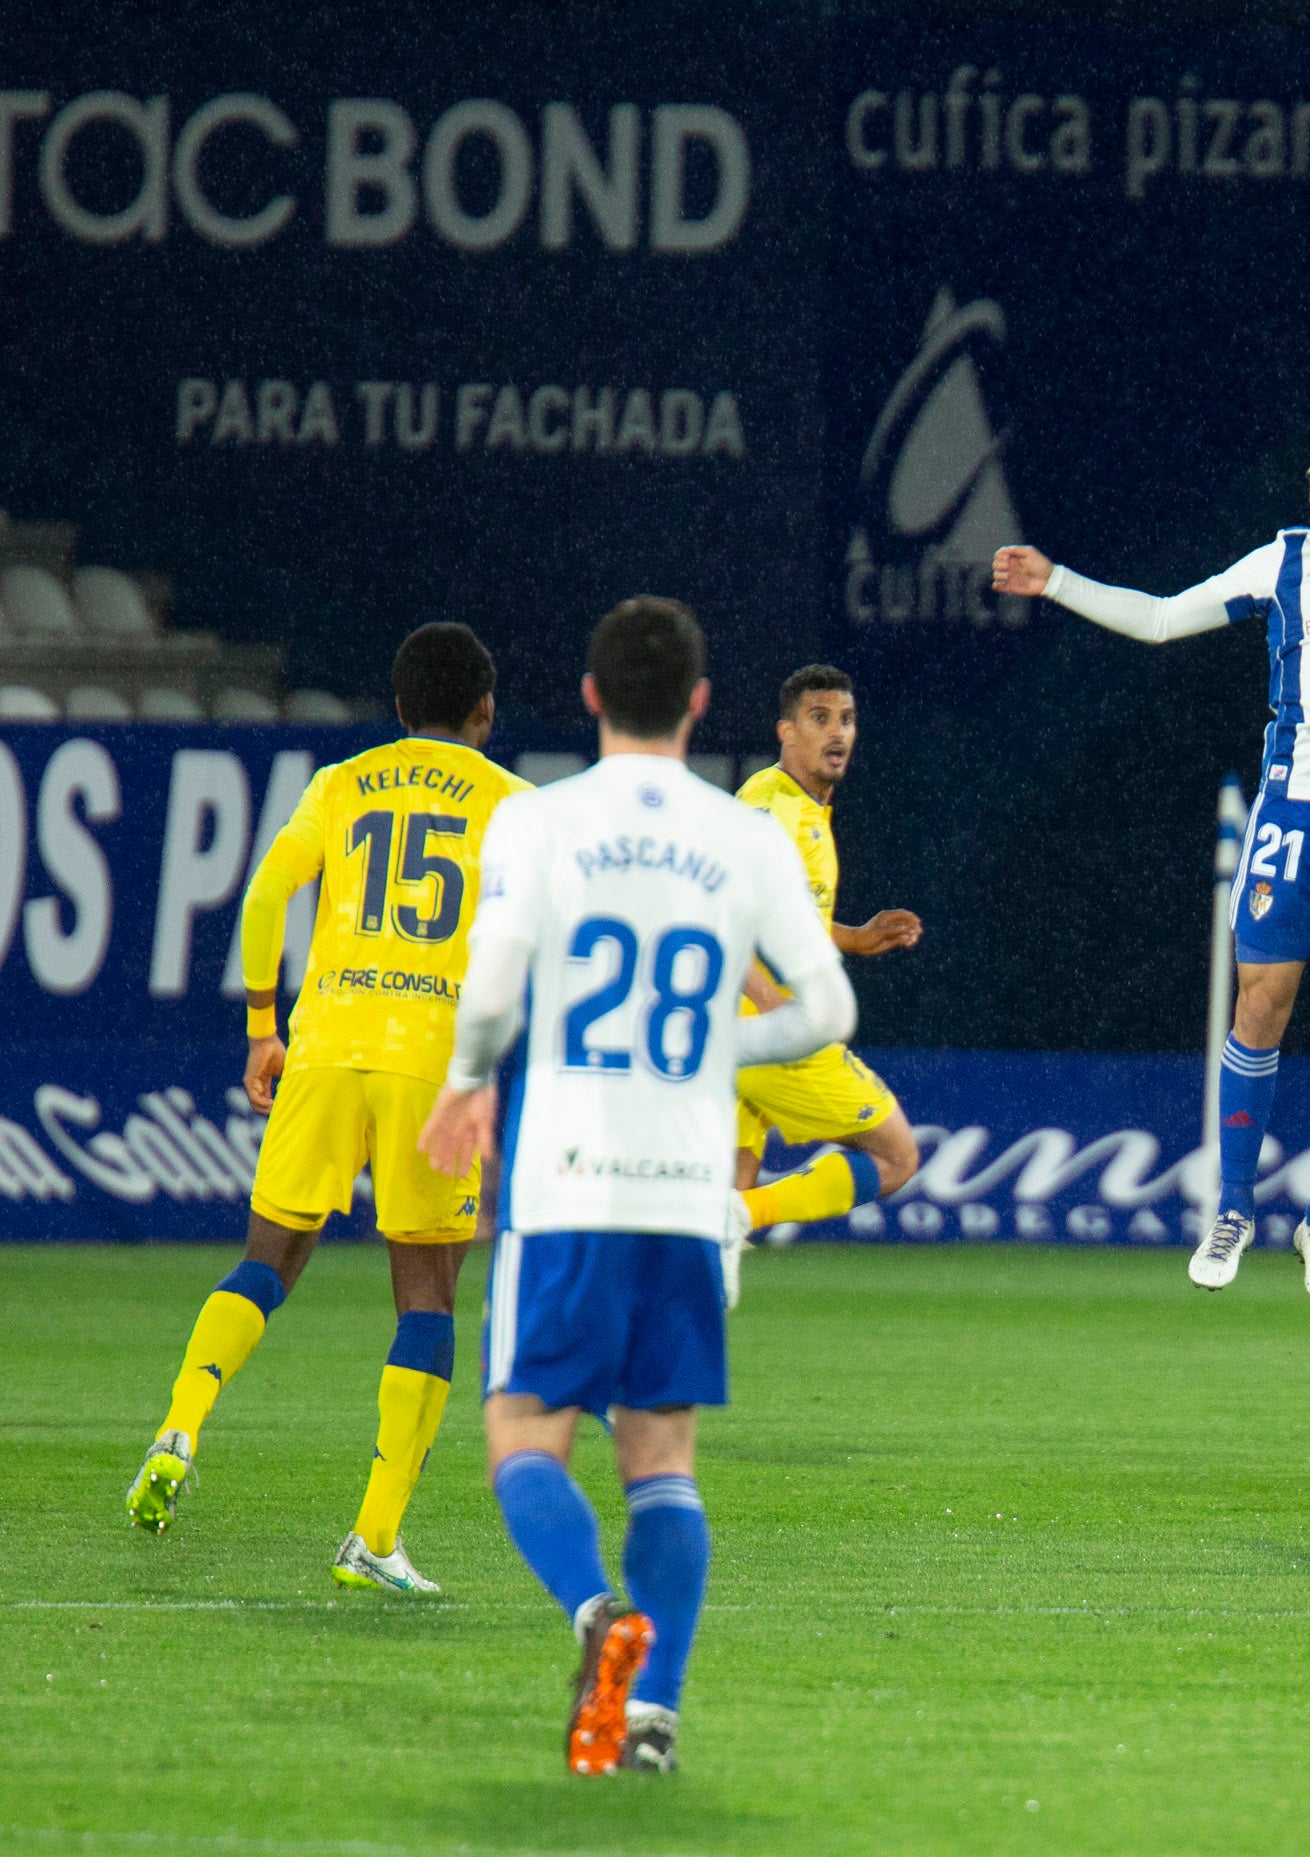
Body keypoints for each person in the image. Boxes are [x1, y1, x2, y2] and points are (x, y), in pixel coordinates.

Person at [418, 597, 854, 1775]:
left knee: (523, 1432)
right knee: (662, 1461)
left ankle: (595, 1613)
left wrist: (467, 1080)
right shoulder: (746, 837)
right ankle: (650, 1716)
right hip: (680, 1186)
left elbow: (498, 979)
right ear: (704, 704)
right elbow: (828, 1010)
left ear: (594, 696)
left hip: (566, 1180)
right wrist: (722, 1050)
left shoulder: (538, 821)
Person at [992, 419, 1310, 1308]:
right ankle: (1233, 1209)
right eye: (1309, 479)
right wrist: (1053, 580)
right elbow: (1165, 618)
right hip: (1290, 817)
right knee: (1262, 1002)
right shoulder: (1281, 560)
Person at [125, 622, 531, 1597]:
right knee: (427, 1296)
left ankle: (181, 1423)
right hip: (432, 1061)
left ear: (397, 709)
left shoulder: (343, 782)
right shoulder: (515, 805)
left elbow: (267, 897)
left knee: (266, 1261)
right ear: (485, 710)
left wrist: (265, 1026)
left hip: (328, 1042)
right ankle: (374, 1536)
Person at [730, 665, 924, 1252]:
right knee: (896, 1157)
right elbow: (721, 917)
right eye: (820, 719)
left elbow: (782, 920)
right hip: (766, 1034)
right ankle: (743, 1215)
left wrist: (855, 937)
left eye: (847, 719)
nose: (837, 733)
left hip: (729, 1033)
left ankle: (667, 1321)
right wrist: (777, 1011)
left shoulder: (790, 803)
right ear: (786, 730)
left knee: (716, 1216)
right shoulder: (773, 813)